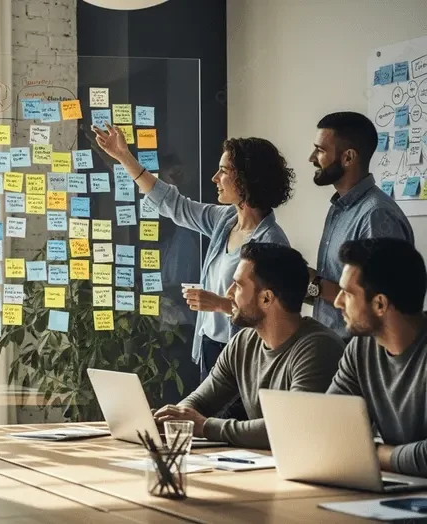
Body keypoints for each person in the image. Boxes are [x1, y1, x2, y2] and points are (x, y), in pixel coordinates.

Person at [93, 124, 294, 381]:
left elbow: (274, 317)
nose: (215, 178)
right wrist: (123, 156)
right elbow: (172, 203)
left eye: (223, 171)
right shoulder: (224, 220)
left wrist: (220, 304)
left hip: (243, 357)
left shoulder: (272, 241)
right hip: (210, 347)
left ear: (247, 178)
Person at [154, 243, 344, 449]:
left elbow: (289, 428)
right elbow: (200, 402)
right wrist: (174, 418)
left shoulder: (318, 349)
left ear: (266, 298)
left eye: (238, 285)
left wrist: (205, 427)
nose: (229, 293)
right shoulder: (243, 342)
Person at [306, 112, 413, 341]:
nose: (311, 158)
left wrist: (314, 284)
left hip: (361, 352)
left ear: (348, 157)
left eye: (320, 150)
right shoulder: (340, 208)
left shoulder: (376, 215)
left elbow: (382, 302)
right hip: (333, 346)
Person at [328, 238, 427, 477]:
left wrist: (374, 454)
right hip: (400, 484)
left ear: (380, 304)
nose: (337, 302)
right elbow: (330, 427)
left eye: (347, 293)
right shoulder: (360, 348)